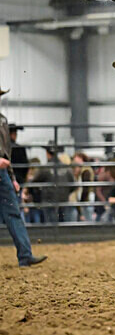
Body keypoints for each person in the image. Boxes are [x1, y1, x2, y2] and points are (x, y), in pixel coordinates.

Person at [0, 87, 46, 267]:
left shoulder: (2, 120)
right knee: (13, 213)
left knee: (13, 213)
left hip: (3, 174)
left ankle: (25, 255)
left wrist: (12, 177)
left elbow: (6, 151)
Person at [31, 143, 73, 223]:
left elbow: (34, 183)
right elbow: (73, 185)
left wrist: (38, 194)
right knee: (63, 224)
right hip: (63, 200)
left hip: (49, 201)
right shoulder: (66, 168)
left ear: (47, 153)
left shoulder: (45, 168)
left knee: (50, 225)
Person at [68, 152, 95, 222]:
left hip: (86, 199)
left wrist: (82, 203)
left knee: (87, 219)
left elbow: (85, 188)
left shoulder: (86, 171)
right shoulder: (81, 170)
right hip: (85, 199)